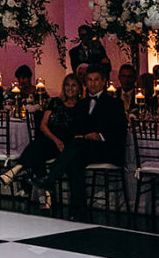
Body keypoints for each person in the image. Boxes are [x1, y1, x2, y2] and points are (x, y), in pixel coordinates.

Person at [34, 66, 127, 219]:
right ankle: (79, 209)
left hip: (107, 149)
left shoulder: (114, 103)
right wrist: (78, 136)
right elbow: (75, 128)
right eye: (90, 80)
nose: (93, 83)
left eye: (96, 80)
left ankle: (50, 178)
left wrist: (100, 135)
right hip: (86, 149)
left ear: (103, 81)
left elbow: (120, 131)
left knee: (75, 151)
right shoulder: (81, 104)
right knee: (74, 159)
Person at [0, 73, 81, 194]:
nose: (70, 88)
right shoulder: (55, 102)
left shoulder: (82, 106)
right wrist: (55, 139)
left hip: (66, 145)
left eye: (74, 85)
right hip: (51, 140)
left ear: (79, 88)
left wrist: (61, 141)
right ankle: (46, 195)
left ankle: (16, 170)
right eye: (67, 85)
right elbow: (43, 125)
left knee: (36, 149)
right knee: (37, 149)